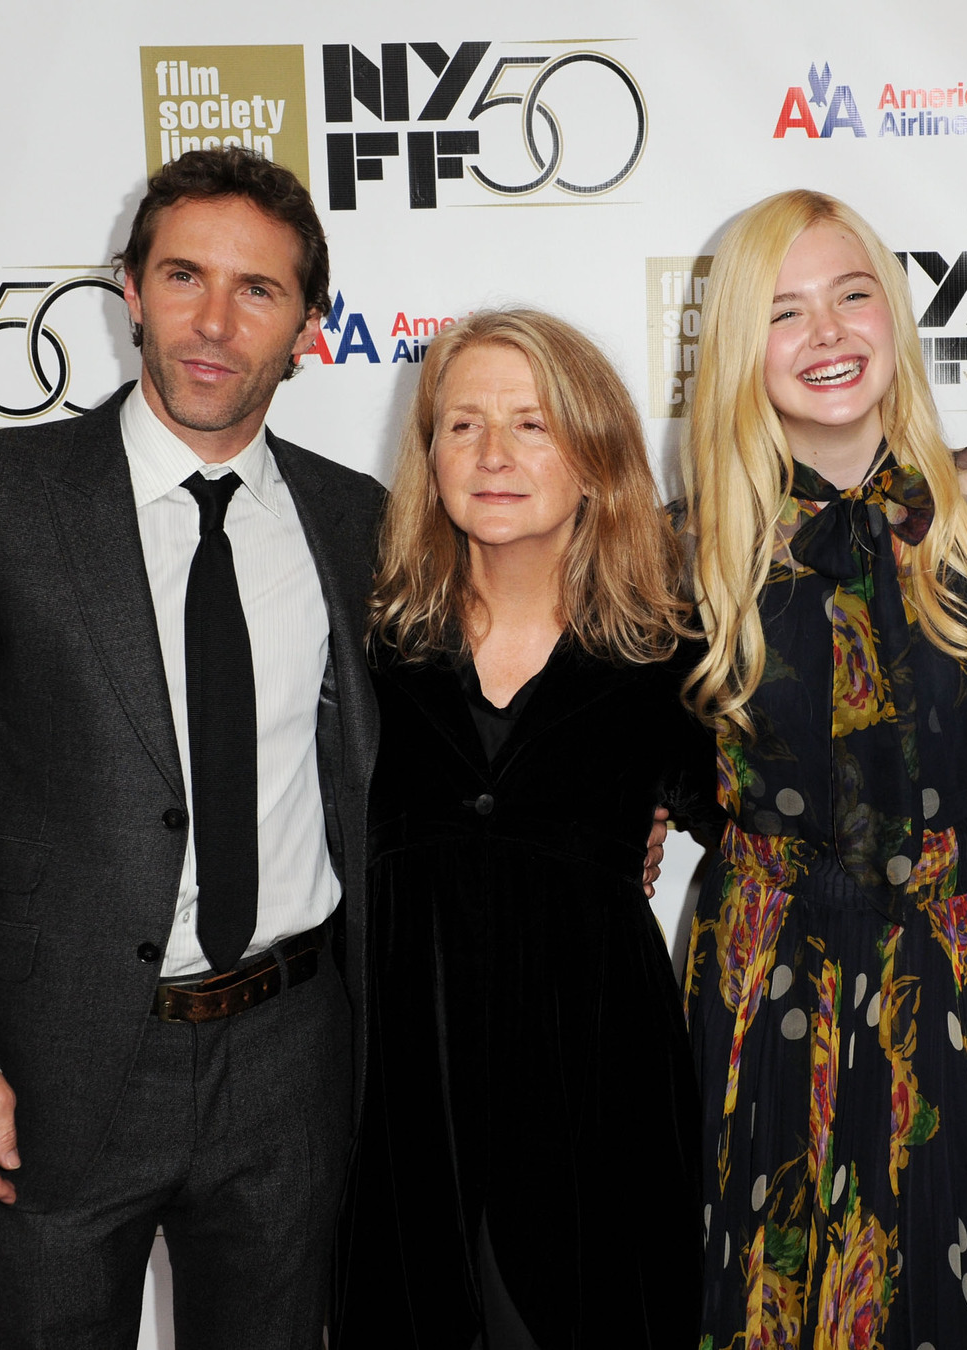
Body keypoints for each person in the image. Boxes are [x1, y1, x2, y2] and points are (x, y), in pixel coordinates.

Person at [0, 148, 384, 1350]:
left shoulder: (353, 518)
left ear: (308, 323)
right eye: (183, 275)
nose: (212, 321)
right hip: (56, 1064)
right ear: (131, 289)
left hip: (293, 1062)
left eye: (257, 290)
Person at [680, 189, 967, 1348]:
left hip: (959, 966)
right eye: (783, 312)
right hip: (762, 974)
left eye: (852, 295)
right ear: (741, 343)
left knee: (956, 1287)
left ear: (894, 314)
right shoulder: (684, 544)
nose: (827, 335)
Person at [333, 310, 714, 1349]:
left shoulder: (667, 652)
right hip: (407, 1086)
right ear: (428, 458)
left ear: (593, 456)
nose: (492, 456)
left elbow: (784, 812)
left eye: (530, 425)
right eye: (461, 426)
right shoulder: (367, 640)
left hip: (596, 1085)